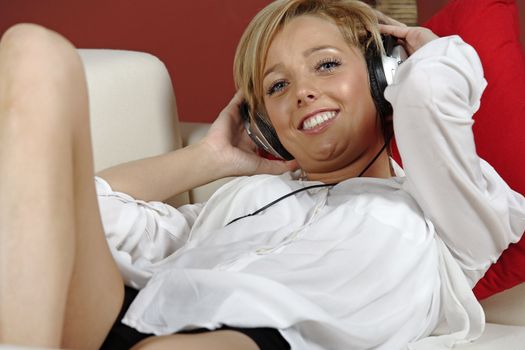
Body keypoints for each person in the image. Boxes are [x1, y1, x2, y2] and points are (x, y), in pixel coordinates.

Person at [0, 0, 524, 349]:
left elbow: (431, 100)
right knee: (33, 50)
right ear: (264, 122)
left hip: (253, 339)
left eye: (326, 65)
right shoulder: (246, 198)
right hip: (131, 312)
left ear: (382, 75)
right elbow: (78, 217)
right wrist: (211, 160)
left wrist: (423, 58)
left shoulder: (450, 211)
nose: (302, 93)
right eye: (277, 87)